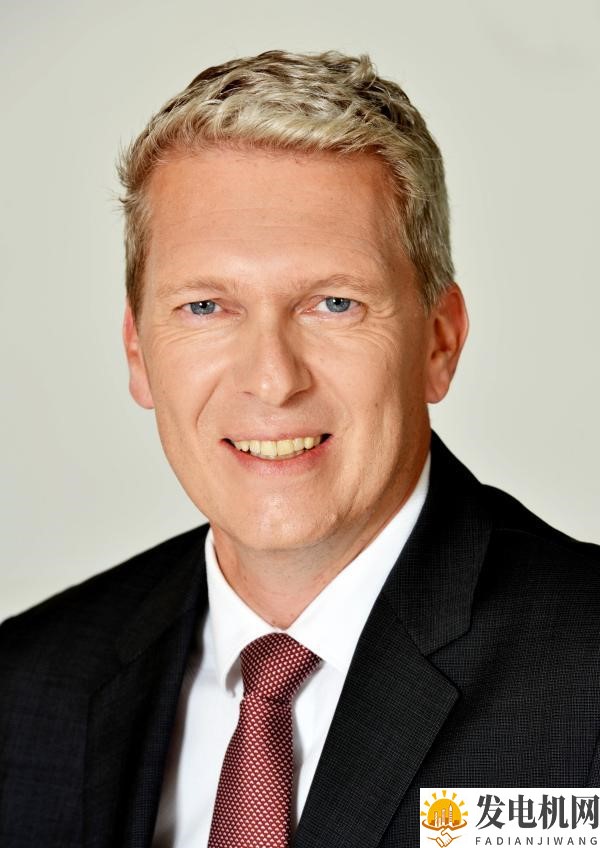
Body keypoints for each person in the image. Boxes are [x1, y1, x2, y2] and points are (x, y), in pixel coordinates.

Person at [0, 50, 598, 848]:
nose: (273, 380)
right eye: (206, 306)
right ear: (138, 352)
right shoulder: (24, 690)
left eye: (334, 303)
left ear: (440, 341)